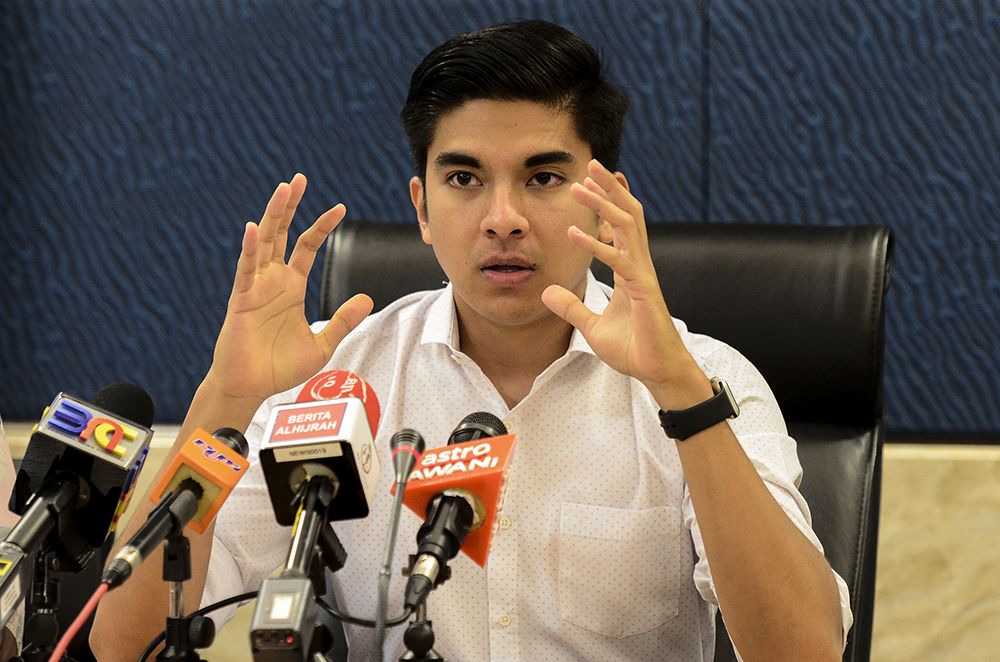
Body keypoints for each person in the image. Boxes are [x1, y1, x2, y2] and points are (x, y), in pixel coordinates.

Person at [92, 20, 850, 661]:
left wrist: (682, 398)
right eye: (464, 179)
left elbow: (807, 651)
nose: (503, 217)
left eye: (543, 178)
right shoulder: (332, 378)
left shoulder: (705, 378)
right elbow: (122, 644)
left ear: (604, 196)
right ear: (422, 208)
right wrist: (228, 396)